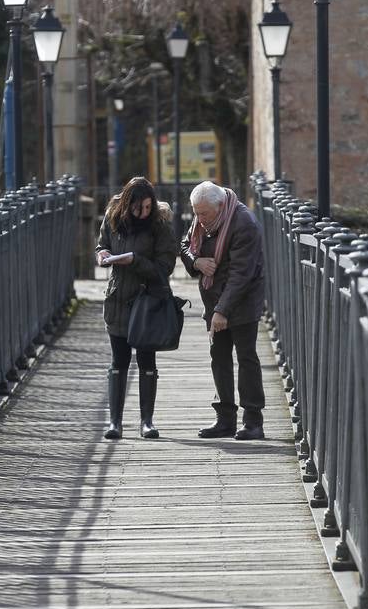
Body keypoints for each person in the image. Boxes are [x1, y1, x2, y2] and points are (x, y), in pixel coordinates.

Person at [180, 181, 266, 440]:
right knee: (219, 357)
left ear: (220, 207)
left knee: (246, 358)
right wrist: (196, 262)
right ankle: (225, 418)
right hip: (214, 298)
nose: (199, 219)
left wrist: (222, 311)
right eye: (196, 212)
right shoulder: (202, 221)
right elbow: (184, 245)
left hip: (243, 300)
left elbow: (241, 275)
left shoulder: (243, 223)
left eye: (204, 213)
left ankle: (253, 421)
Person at [96, 177, 177, 440]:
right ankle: (115, 422)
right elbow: (102, 244)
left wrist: (135, 261)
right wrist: (102, 255)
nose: (143, 213)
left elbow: (164, 268)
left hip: (147, 301)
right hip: (118, 299)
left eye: (147, 207)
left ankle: (147, 421)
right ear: (127, 204)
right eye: (138, 208)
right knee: (118, 360)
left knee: (146, 360)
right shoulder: (112, 217)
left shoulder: (159, 225)